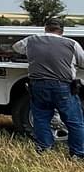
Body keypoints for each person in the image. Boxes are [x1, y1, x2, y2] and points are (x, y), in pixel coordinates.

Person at [12, 18, 84, 158]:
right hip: (62, 86)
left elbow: (16, 47)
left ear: (45, 28)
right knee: (74, 120)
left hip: (38, 85)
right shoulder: (71, 43)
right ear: (62, 31)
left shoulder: (31, 40)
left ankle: (44, 149)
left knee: (41, 119)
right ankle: (78, 153)